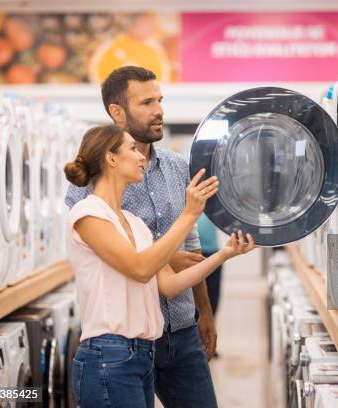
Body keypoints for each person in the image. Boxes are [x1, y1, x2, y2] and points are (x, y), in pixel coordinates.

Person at [64, 124, 255, 408]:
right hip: (107, 357)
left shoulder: (136, 224)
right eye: (131, 149)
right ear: (111, 158)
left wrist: (224, 254)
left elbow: (169, 284)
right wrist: (189, 214)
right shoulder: (87, 214)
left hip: (142, 355)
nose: (141, 157)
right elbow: (140, 269)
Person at [65, 66, 219, 407]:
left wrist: (204, 313)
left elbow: (190, 247)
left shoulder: (177, 167)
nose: (159, 110)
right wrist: (166, 256)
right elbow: (120, 259)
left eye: (160, 100)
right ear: (117, 112)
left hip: (179, 328)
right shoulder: (90, 189)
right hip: (119, 338)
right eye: (147, 102)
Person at [197, 215, 222, 318]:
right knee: (195, 295)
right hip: (192, 253)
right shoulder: (183, 202)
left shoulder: (213, 203)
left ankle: (210, 321)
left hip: (212, 252)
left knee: (212, 297)